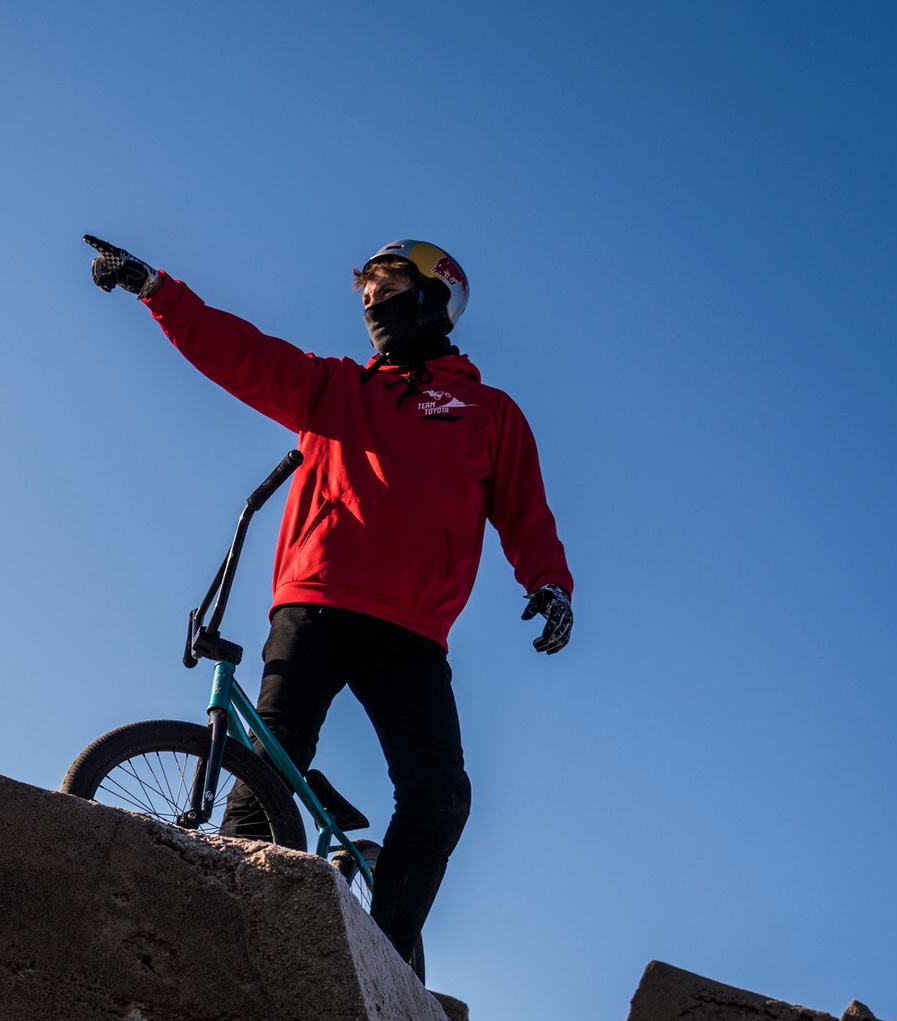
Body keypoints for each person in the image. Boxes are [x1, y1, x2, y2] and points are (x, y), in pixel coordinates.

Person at [86, 235, 574, 983]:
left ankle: (381, 966)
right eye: (366, 291)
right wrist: (156, 288)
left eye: (388, 286)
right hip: (316, 602)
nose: (372, 301)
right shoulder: (332, 388)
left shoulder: (487, 413)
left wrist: (550, 582)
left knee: (440, 795)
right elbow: (239, 352)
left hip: (411, 630)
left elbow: (525, 512)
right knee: (266, 764)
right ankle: (218, 919)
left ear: (435, 299)